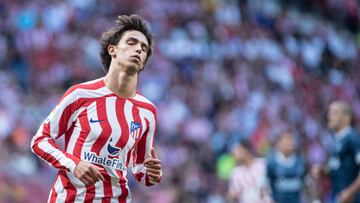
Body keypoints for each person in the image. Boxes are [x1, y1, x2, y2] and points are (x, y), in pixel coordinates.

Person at [31, 14, 162, 202]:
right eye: (132, 42)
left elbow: (141, 169)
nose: (138, 49)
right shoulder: (80, 94)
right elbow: (40, 140)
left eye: (143, 48)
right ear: (113, 50)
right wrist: (74, 164)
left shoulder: (147, 111)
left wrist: (153, 173)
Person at [312, 101, 360, 203]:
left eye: (335, 112)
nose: (330, 116)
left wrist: (350, 192)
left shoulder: (353, 138)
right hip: (337, 196)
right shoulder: (336, 141)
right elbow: (338, 169)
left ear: (347, 117)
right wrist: (323, 170)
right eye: (329, 112)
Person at [266, 130, 312, 203]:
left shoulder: (300, 162)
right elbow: (265, 186)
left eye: (291, 139)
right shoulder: (271, 163)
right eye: (286, 140)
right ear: (278, 144)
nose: (289, 143)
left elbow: (308, 184)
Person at [228, 139, 272, 203]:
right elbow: (233, 195)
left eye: (237, 150)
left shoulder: (263, 165)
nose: (234, 153)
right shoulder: (236, 173)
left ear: (245, 150)